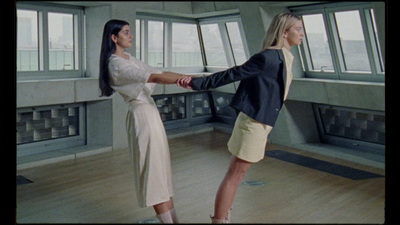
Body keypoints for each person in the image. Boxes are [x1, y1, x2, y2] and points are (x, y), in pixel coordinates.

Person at [177, 12, 304, 223]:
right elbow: (232, 74)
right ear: (284, 32)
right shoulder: (269, 57)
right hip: (253, 125)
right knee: (234, 177)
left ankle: (223, 216)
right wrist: (196, 83)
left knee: (236, 176)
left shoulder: (285, 57)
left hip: (260, 124)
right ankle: (219, 220)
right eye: (297, 29)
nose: (302, 34)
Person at [99, 19, 189, 223]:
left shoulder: (129, 58)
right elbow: (153, 77)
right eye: (126, 32)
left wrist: (188, 78)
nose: (131, 36)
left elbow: (159, 72)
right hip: (142, 117)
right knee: (154, 175)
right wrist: (188, 80)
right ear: (114, 37)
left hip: (151, 114)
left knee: (162, 172)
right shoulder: (116, 65)